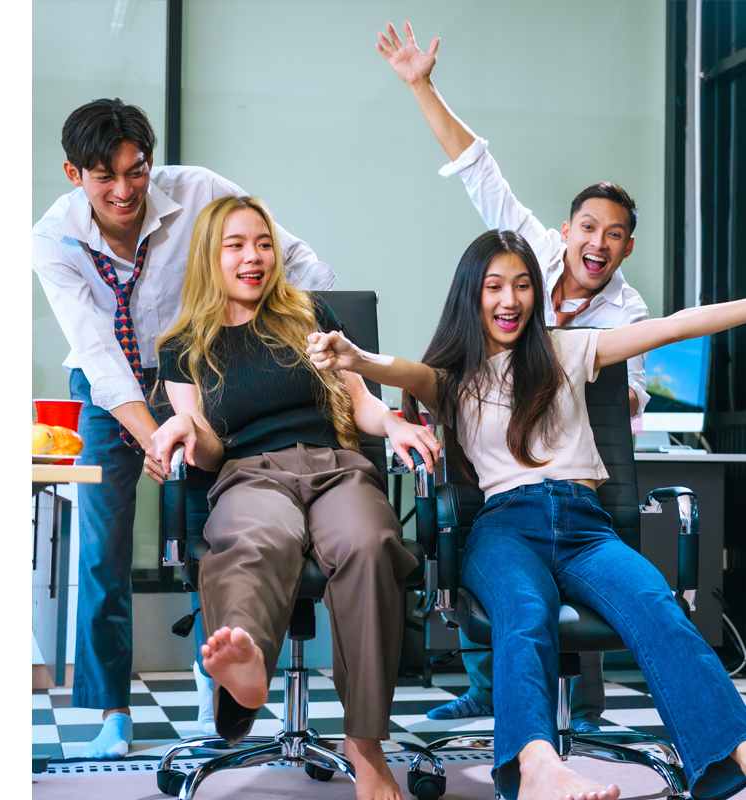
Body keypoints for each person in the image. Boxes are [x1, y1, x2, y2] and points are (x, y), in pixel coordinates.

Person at [307, 229, 746, 800]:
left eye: (521, 286)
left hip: (587, 527)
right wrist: (357, 359)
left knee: (655, 606)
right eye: (494, 287)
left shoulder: (569, 349)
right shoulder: (455, 377)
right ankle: (537, 766)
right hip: (505, 529)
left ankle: (733, 748)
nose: (509, 300)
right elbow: (400, 372)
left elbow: (672, 326)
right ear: (472, 295)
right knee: (524, 612)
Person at [32, 99, 336, 758]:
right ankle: (113, 708)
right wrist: (155, 438)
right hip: (110, 392)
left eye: (135, 171)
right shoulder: (51, 239)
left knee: (213, 531)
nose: (123, 190)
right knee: (103, 546)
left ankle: (214, 682)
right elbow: (100, 357)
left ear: (150, 161)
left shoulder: (200, 191)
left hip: (200, 373)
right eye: (102, 175)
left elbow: (305, 266)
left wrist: (279, 349)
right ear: (72, 173)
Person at [377, 20, 652, 727]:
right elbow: (475, 165)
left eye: (614, 233)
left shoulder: (629, 312)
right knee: (480, 529)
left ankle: (582, 707)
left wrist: (574, 374)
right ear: (566, 231)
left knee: (578, 543)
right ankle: (489, 684)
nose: (598, 242)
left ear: (625, 246)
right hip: (489, 446)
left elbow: (631, 402)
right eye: (588, 226)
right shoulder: (525, 253)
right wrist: (422, 86)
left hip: (569, 460)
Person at [149, 195, 440, 800]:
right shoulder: (183, 344)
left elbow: (359, 401)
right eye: (236, 245)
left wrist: (395, 424)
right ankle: (248, 666)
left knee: (369, 543)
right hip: (249, 473)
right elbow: (204, 446)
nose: (253, 256)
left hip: (335, 467)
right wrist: (182, 428)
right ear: (210, 255)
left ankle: (364, 746)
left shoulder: (309, 313)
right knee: (257, 538)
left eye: (262, 243)